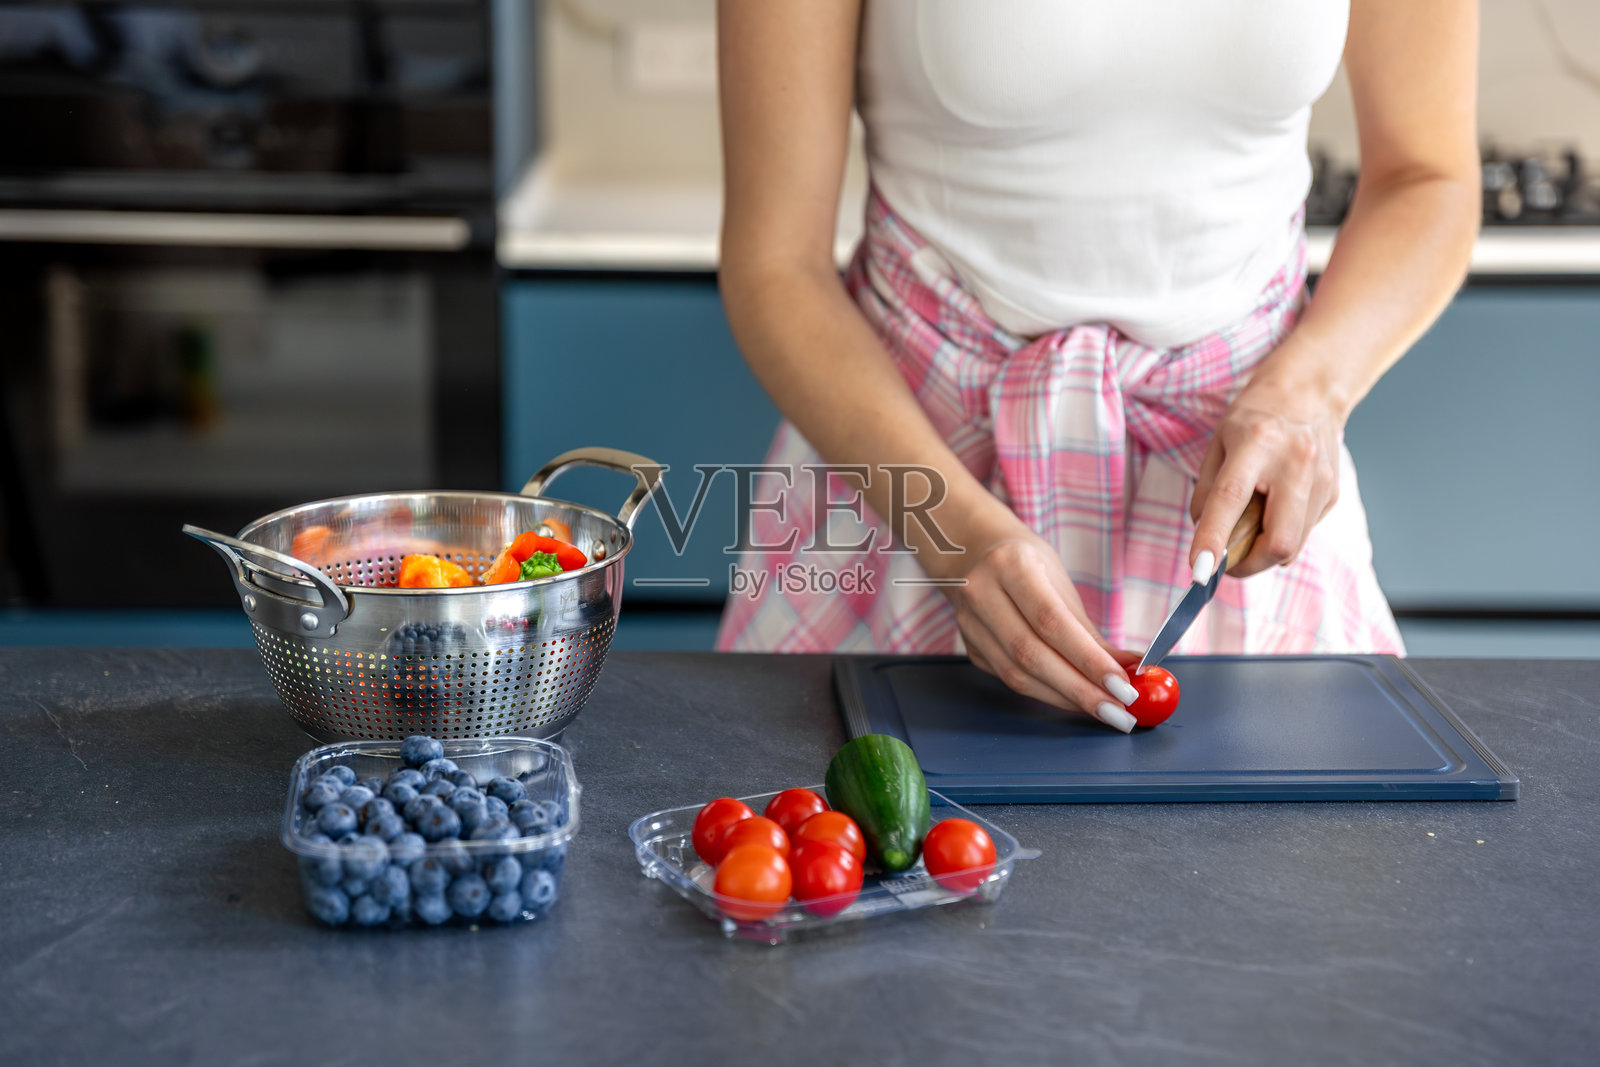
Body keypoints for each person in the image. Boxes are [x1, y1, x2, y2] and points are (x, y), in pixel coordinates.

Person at [712, 0, 1480, 733]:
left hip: (1245, 480)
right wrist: (951, 533)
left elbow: (1428, 176)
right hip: (908, 483)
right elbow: (777, 263)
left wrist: (1309, 391)